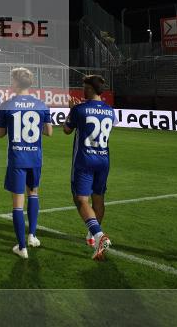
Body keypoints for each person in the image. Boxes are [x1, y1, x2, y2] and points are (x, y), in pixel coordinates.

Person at [0, 67, 53, 259]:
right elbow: (49, 132)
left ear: (16, 82)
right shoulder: (41, 104)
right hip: (35, 158)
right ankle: (32, 236)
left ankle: (22, 248)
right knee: (33, 194)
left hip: (17, 159)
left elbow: (0, 134)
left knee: (18, 204)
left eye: (11, 80)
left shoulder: (7, 105)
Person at [64, 75, 115, 260]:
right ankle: (92, 237)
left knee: (81, 199)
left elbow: (67, 130)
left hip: (85, 159)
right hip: (103, 160)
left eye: (84, 87)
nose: (82, 90)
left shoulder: (80, 109)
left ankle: (99, 236)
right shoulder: (110, 111)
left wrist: (71, 110)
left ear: (90, 89)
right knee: (98, 197)